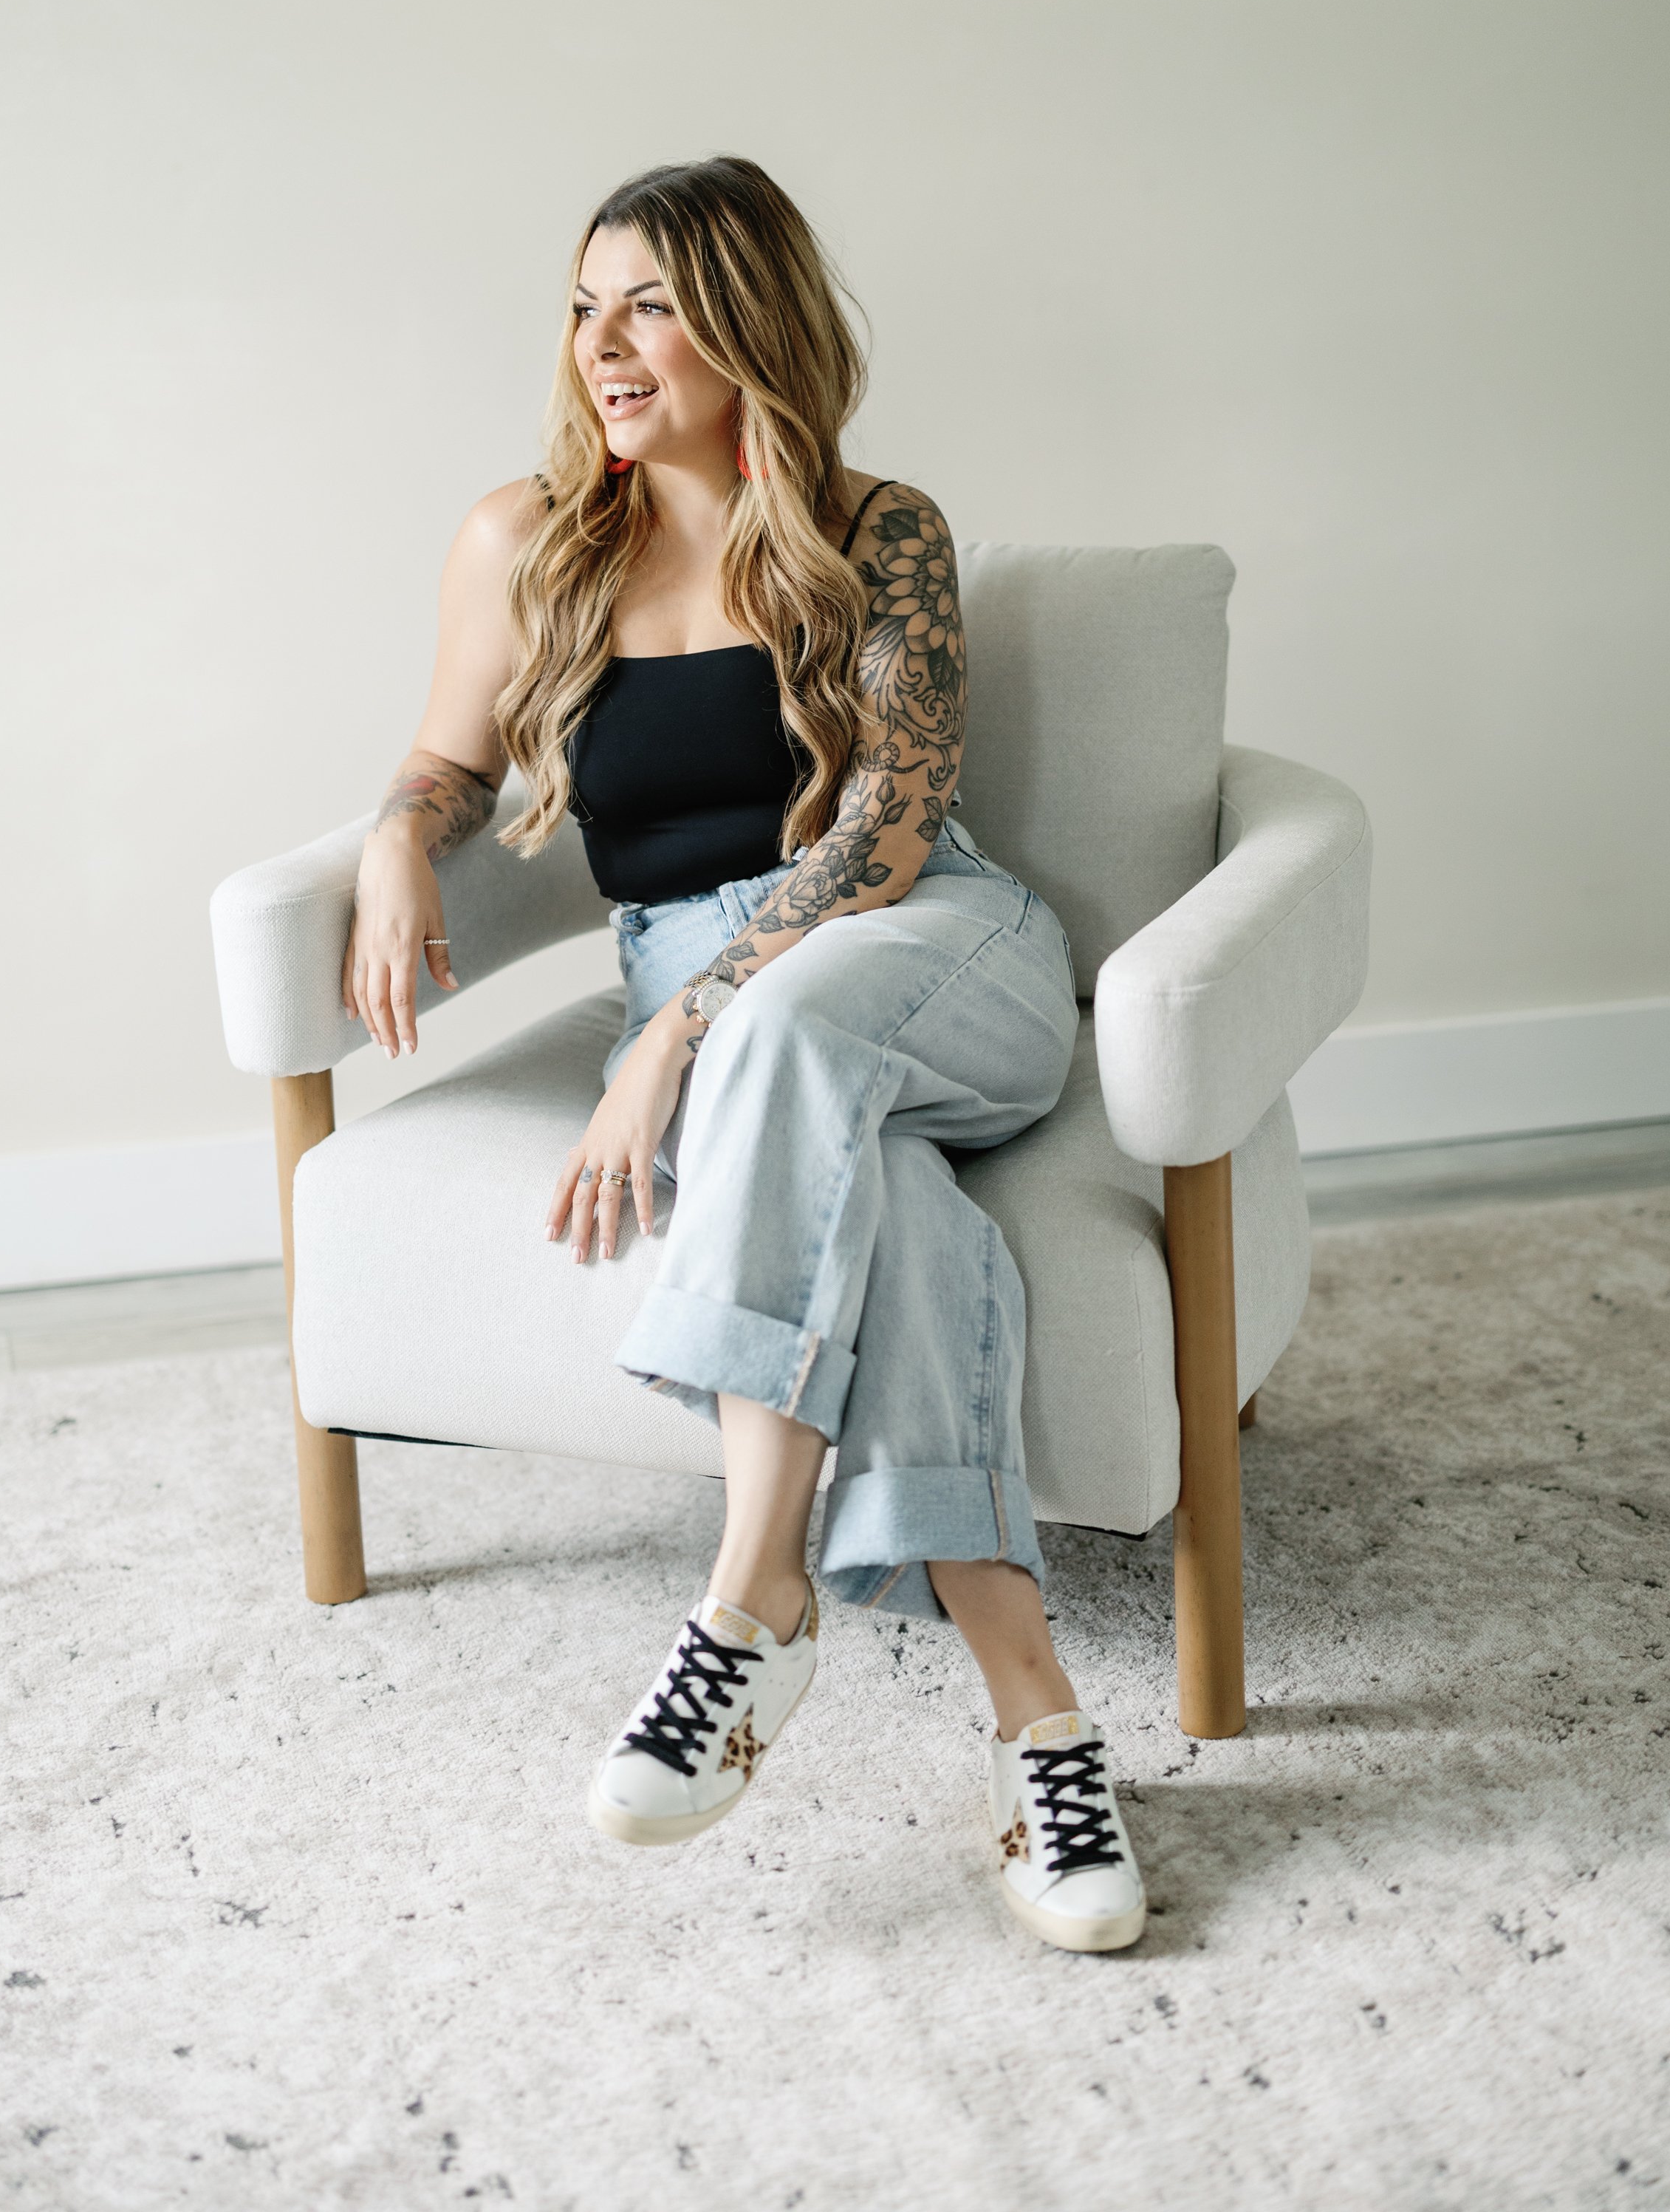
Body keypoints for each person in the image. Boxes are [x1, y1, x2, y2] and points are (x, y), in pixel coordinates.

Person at [342, 157, 1145, 1953]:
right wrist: (400, 834)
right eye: (582, 304)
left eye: (648, 302)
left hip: (936, 953)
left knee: (783, 1029)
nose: (603, 344)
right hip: (753, 1029)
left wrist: (684, 1029)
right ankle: (1046, 1728)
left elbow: (892, 828)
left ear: (744, 318)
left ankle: (750, 1596)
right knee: (912, 1227)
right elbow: (446, 762)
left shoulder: (881, 527)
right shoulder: (526, 539)